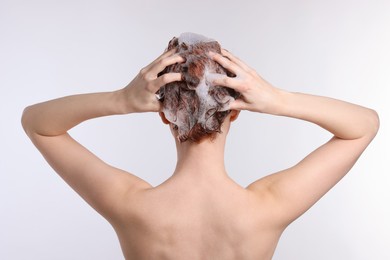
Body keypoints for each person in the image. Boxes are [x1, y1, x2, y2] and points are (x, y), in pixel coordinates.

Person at [22, 36, 379, 260]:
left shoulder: (131, 206)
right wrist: (276, 99)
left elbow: (38, 124)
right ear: (235, 114)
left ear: (165, 117)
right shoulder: (268, 207)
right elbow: (364, 127)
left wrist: (121, 99)